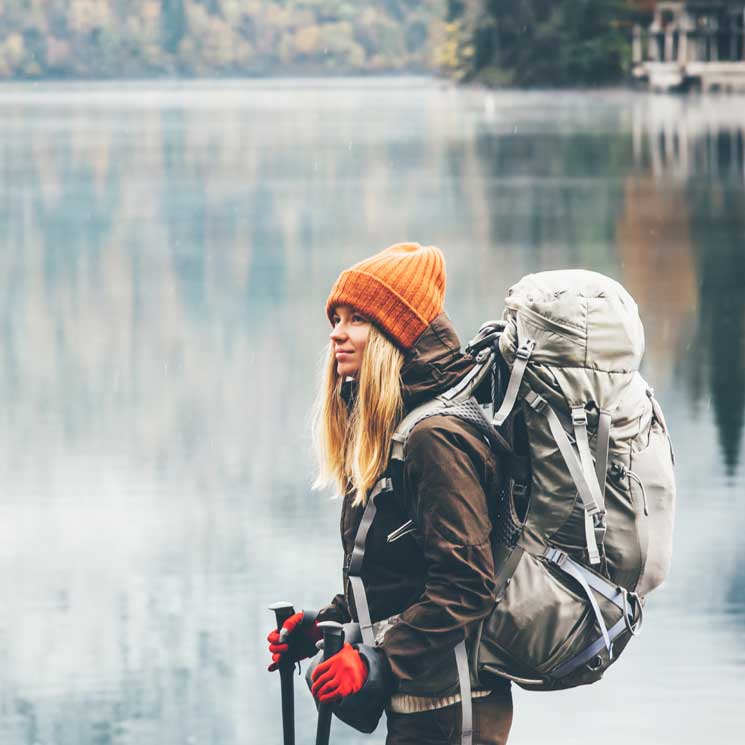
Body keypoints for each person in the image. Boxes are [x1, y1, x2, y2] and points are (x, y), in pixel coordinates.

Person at [267, 243, 513, 745]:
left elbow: (467, 586)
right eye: (335, 317)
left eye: (357, 318)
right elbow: (401, 576)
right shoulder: (397, 432)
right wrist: (326, 624)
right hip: (423, 709)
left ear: (393, 332)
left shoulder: (434, 438)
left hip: (455, 713)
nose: (337, 332)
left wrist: (375, 659)